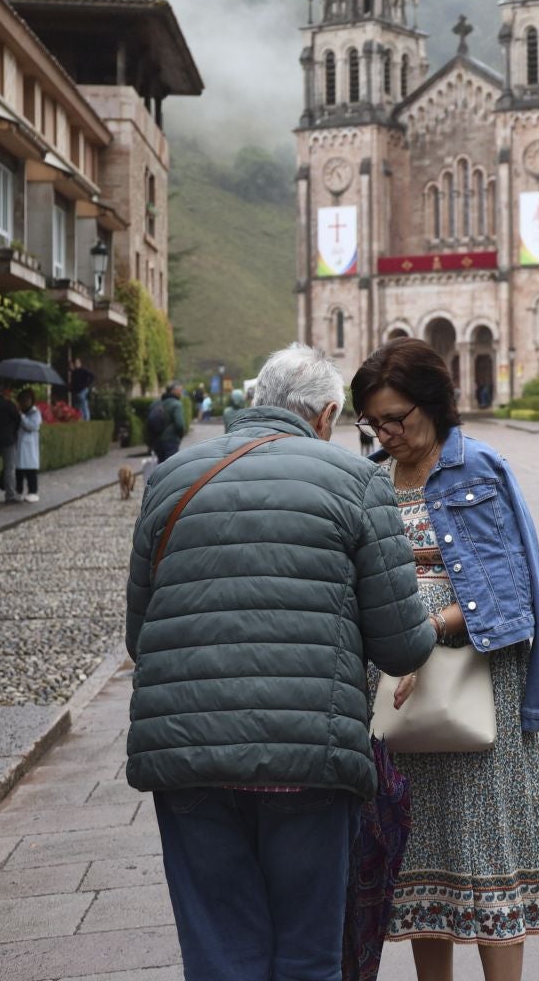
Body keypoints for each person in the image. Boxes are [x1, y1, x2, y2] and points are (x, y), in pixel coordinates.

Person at [126, 343, 436, 981]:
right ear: (325, 415)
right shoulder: (358, 482)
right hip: (308, 757)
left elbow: (140, 635)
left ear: (254, 402)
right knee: (306, 957)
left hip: (187, 756)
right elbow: (403, 645)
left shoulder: (170, 480)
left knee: (220, 955)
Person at [352, 338, 539, 980]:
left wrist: (425, 630)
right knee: (419, 858)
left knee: (491, 851)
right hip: (396, 687)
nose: (387, 433)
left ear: (435, 405)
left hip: (477, 681)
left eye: (398, 417)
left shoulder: (479, 469)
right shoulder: (368, 479)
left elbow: (512, 599)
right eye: (374, 421)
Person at [13, 389, 43, 503]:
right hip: (19, 445)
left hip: (30, 446)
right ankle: (18, 491)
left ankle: (33, 492)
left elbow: (31, 426)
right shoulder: (20, 413)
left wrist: (22, 417)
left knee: (31, 471)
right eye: (22, 401)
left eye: (26, 401)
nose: (24, 403)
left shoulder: (35, 413)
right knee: (18, 470)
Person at [146, 383, 187, 464]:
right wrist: (180, 435)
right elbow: (180, 424)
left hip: (157, 441)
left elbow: (148, 421)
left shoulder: (155, 403)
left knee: (161, 467)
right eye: (180, 391)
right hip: (171, 441)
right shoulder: (177, 404)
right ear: (173, 391)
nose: (181, 393)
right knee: (171, 467)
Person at [69, 357, 95, 421]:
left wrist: (86, 385)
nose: (75, 365)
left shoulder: (82, 370)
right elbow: (74, 382)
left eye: (76, 363)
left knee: (83, 404)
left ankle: (86, 418)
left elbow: (92, 376)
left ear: (79, 363)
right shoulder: (74, 372)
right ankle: (81, 418)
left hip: (82, 390)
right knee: (78, 405)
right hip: (77, 391)